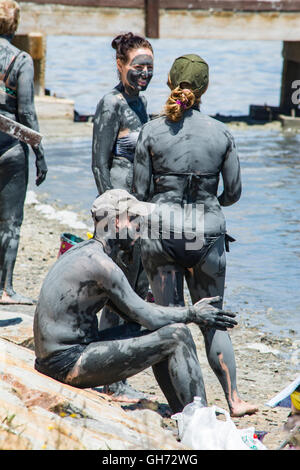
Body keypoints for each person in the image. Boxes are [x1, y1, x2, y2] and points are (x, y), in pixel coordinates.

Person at [33, 189, 237, 414]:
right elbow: (147, 316)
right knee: (178, 336)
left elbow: (137, 315)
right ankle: (199, 417)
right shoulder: (102, 266)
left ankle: (183, 411)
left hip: (54, 356)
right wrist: (194, 314)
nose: (140, 228)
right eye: (134, 220)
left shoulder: (85, 252)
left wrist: (172, 315)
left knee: (163, 329)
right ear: (117, 222)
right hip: (66, 363)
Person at [133, 54, 258, 417]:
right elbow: (233, 193)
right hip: (206, 238)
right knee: (212, 316)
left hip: (163, 235)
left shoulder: (152, 131)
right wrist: (209, 204)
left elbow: (141, 193)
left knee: (170, 321)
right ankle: (234, 400)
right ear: (204, 89)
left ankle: (184, 405)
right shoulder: (221, 133)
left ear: (171, 81)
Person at [91, 32, 154, 400]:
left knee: (135, 289)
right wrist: (112, 212)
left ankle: (116, 373)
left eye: (149, 67)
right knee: (113, 291)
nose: (143, 73)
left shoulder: (142, 102)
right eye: (137, 67)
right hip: (116, 213)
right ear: (120, 64)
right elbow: (99, 163)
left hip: (139, 210)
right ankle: (109, 377)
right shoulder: (110, 103)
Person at [0, 0, 47, 304]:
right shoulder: (21, 59)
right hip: (10, 147)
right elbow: (26, 113)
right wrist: (40, 154)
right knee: (10, 221)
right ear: (14, 26)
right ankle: (5, 289)